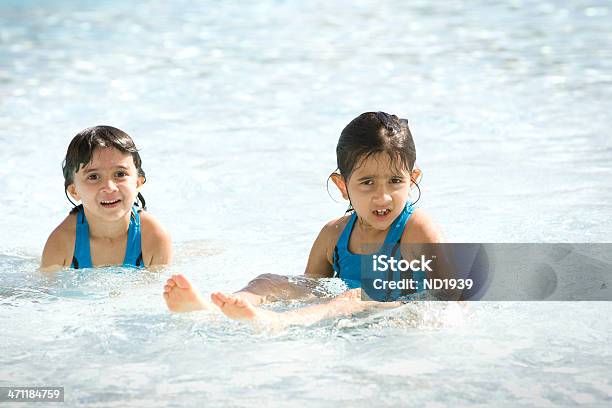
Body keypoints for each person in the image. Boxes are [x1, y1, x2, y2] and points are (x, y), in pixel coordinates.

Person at [164, 112, 443, 325]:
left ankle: (276, 323)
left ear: (412, 179)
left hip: (395, 319)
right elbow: (311, 288)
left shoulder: (416, 229)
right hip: (342, 313)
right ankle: (214, 308)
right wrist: (278, 291)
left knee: (353, 297)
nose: (383, 197)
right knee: (268, 280)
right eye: (367, 182)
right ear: (342, 186)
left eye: (395, 181)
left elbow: (453, 296)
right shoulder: (334, 235)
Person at [41, 126, 172, 271]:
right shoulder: (62, 243)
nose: (109, 187)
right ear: (74, 191)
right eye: (93, 177)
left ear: (138, 183)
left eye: (120, 174)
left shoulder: (153, 237)